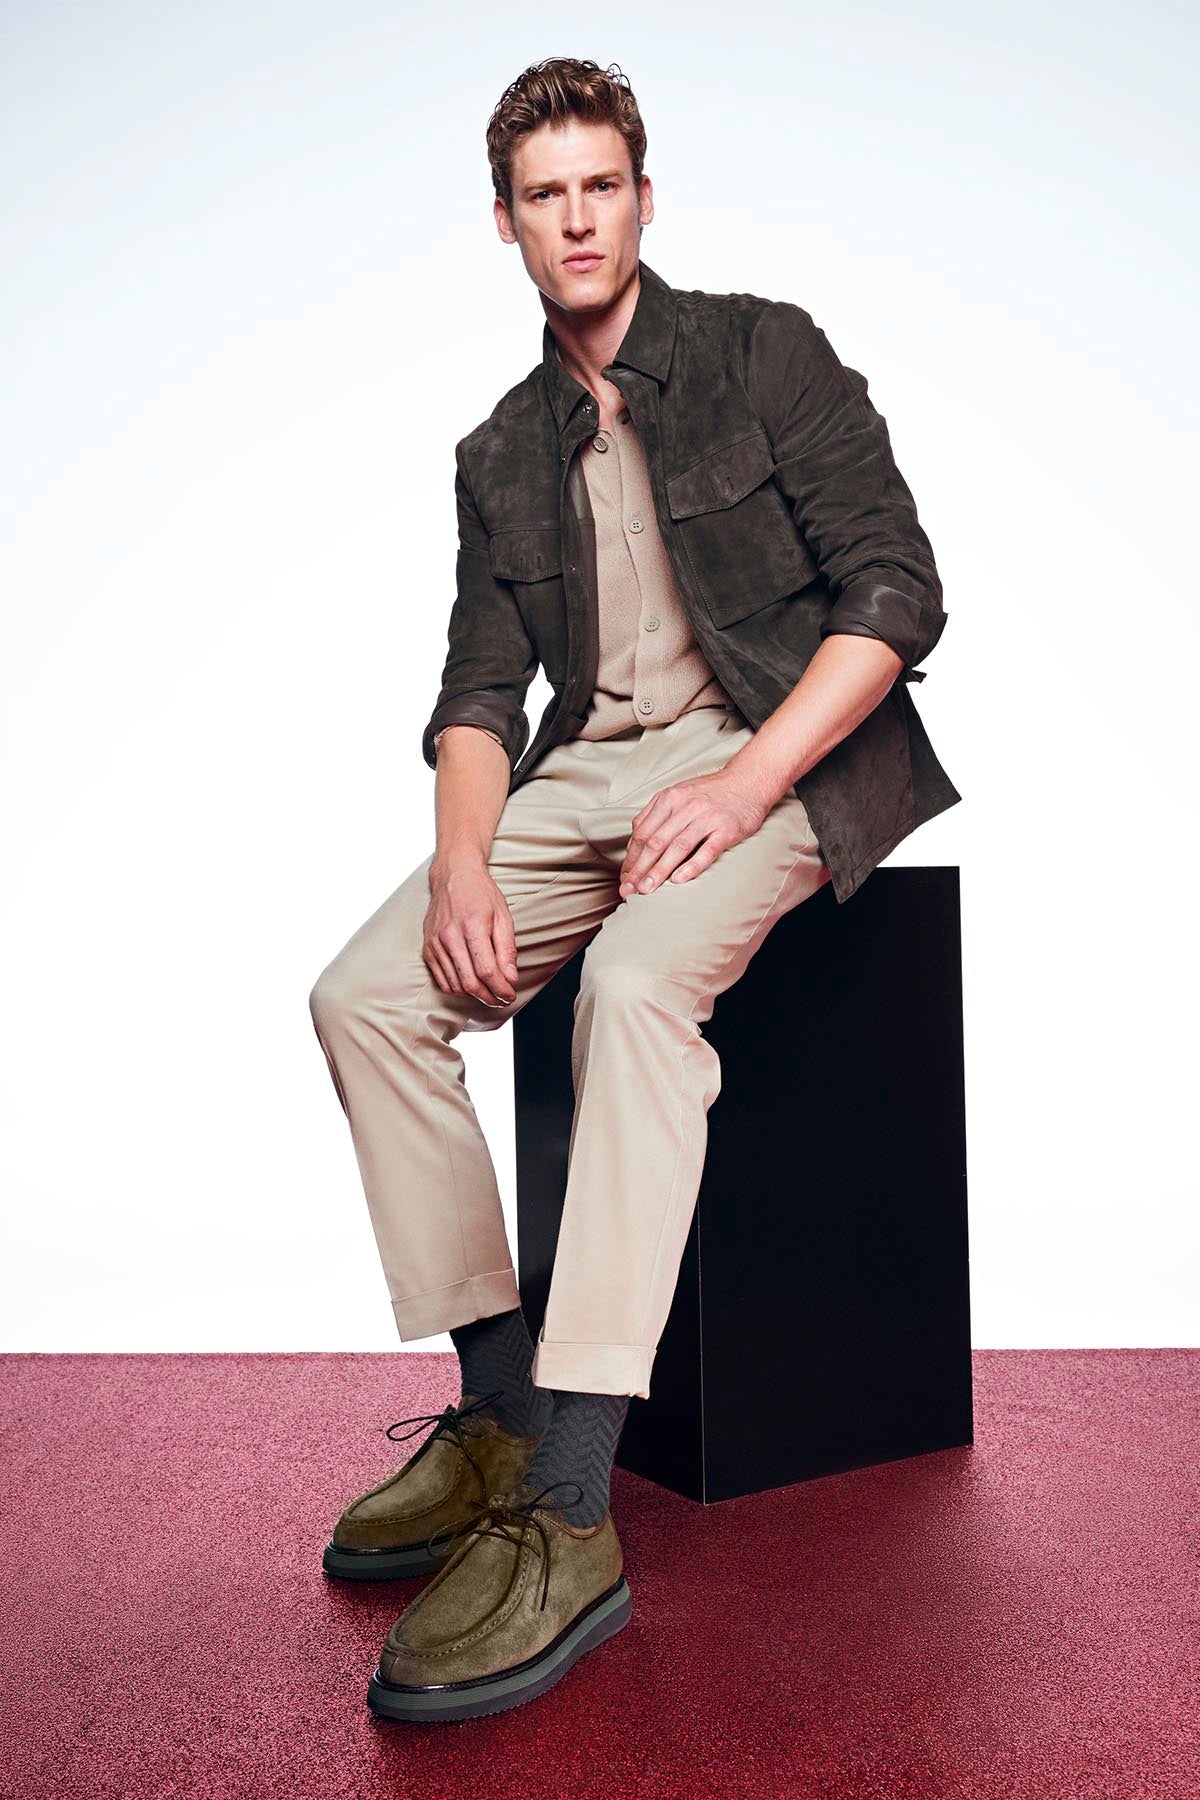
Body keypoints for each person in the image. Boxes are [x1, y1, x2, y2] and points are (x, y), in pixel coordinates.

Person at [308, 55, 960, 1723]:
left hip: (782, 754)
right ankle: (499, 1408)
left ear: (644, 200)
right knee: (365, 993)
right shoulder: (499, 450)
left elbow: (898, 589)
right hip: (588, 776)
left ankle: (572, 1504)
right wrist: (465, 862)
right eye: (547, 195)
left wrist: (742, 788)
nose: (579, 218)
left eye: (602, 185)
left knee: (637, 981)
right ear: (508, 224)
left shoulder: (761, 352)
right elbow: (479, 693)